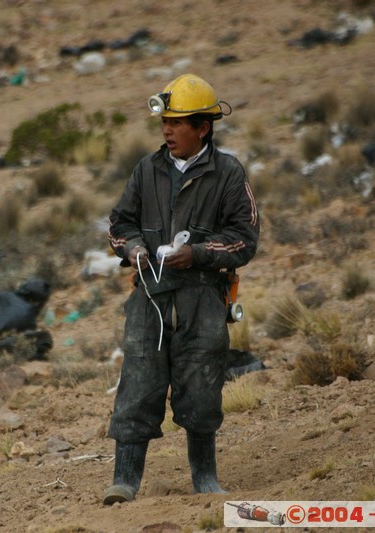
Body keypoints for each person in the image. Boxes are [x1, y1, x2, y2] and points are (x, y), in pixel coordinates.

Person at [104, 73, 260, 505]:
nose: (167, 131)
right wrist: (133, 248)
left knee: (202, 388)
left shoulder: (228, 173)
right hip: (150, 298)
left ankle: (205, 480)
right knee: (137, 385)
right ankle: (125, 483)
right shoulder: (146, 169)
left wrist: (200, 254)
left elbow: (245, 239)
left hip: (204, 301)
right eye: (164, 123)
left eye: (176, 123)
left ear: (203, 127)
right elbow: (119, 225)